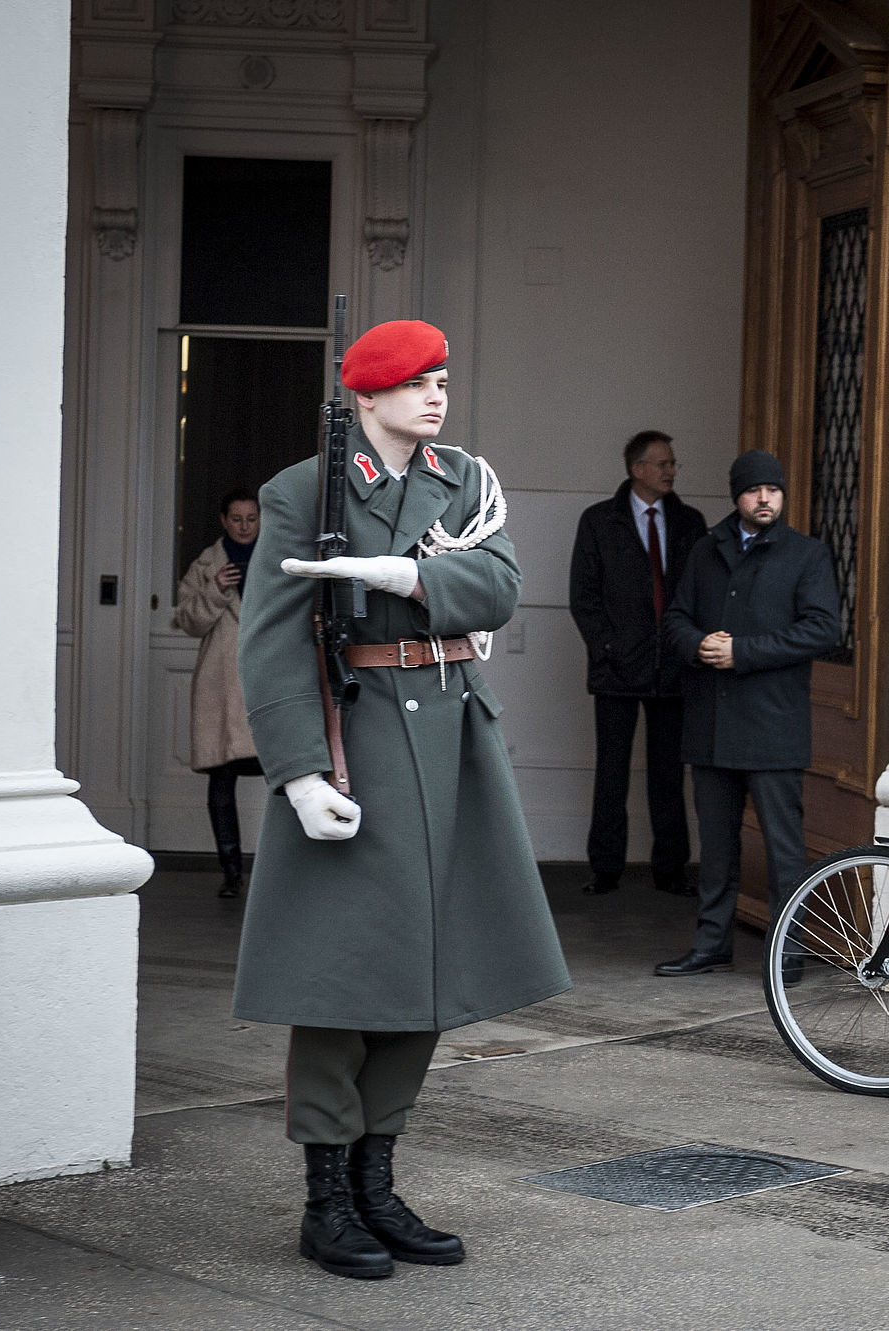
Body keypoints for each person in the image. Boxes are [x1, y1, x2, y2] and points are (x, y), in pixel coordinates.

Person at [233, 318, 570, 1280]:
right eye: (417, 383)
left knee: (428, 966)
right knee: (340, 975)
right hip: (357, 739)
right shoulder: (304, 490)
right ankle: (327, 1199)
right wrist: (299, 770)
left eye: (442, 382)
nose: (435, 397)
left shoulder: (462, 479)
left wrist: (409, 575)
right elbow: (271, 637)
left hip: (450, 735)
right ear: (367, 396)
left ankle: (377, 1183)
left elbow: (499, 586)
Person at [656, 449, 839, 978]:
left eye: (773, 490)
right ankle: (711, 943)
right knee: (715, 846)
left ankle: (789, 950)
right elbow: (675, 619)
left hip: (773, 726)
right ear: (737, 496)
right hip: (710, 725)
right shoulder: (705, 549)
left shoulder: (806, 554)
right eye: (755, 490)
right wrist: (697, 644)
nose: (765, 499)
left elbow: (823, 629)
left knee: (784, 848)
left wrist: (742, 652)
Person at [568, 430, 707, 897]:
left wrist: (687, 647)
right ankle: (605, 869)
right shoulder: (598, 521)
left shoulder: (689, 522)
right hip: (616, 670)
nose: (671, 471)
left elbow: (699, 592)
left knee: (668, 773)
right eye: (662, 463)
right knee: (611, 772)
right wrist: (608, 648)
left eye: (673, 463)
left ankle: (671, 870)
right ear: (637, 469)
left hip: (673, 667)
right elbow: (584, 597)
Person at [172, 489, 263, 898]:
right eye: (237, 518)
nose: (244, 526)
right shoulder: (206, 564)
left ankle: (282, 871)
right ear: (224, 521)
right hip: (222, 687)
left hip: (264, 684)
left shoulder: (275, 559)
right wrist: (215, 589)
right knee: (221, 784)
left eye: (251, 518)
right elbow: (188, 621)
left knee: (286, 780)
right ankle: (231, 872)